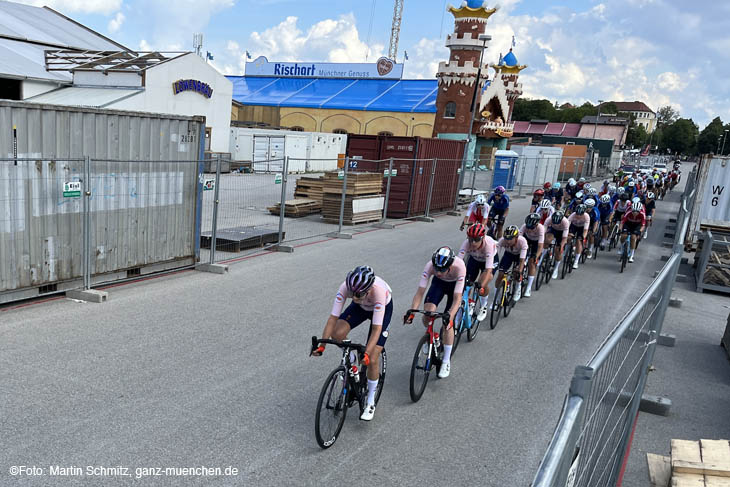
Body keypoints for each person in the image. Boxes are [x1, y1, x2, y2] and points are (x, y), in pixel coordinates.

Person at [313, 266, 393, 421]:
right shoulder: (346, 288)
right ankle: (351, 360)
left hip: (382, 308)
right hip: (361, 308)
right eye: (352, 294)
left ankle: (370, 401)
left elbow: (377, 329)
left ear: (368, 289)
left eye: (359, 294)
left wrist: (368, 354)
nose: (354, 298)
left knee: (373, 358)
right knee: (337, 333)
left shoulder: (378, 292)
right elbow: (332, 319)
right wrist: (322, 345)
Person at [406, 247, 466, 379]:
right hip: (438, 285)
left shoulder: (460, 266)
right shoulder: (430, 266)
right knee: (428, 313)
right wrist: (412, 311)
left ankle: (446, 361)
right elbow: (420, 292)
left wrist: (450, 316)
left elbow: (457, 299)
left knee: (448, 323)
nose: (438, 272)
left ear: (450, 266)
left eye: (442, 269)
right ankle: (433, 337)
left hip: (454, 287)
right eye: (437, 269)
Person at [458, 223, 497, 321]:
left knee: (482, 282)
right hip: (474, 259)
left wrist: (481, 286)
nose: (473, 243)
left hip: (488, 262)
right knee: (466, 283)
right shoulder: (466, 243)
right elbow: (458, 263)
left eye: (476, 240)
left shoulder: (488, 245)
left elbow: (488, 270)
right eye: (471, 239)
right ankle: (468, 302)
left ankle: (483, 306)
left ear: (482, 238)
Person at [494, 225, 527, 302]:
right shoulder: (502, 240)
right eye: (506, 238)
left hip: (519, 256)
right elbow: (495, 254)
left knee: (517, 272)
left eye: (510, 239)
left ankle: (518, 288)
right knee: (500, 274)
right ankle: (497, 298)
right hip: (508, 254)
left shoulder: (522, 241)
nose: (508, 241)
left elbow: (522, 261)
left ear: (516, 237)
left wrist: (519, 271)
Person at [519, 213, 545, 298]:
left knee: (532, 262)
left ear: (536, 224)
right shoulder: (524, 226)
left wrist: (536, 256)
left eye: (532, 227)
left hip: (536, 243)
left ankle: (528, 288)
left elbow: (541, 246)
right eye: (528, 227)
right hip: (526, 239)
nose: (529, 229)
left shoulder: (541, 228)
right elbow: (519, 240)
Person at [545, 210, 570, 279]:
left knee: (558, 250)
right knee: (546, 240)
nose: (556, 224)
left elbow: (564, 238)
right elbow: (544, 231)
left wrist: (561, 247)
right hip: (553, 230)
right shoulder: (549, 219)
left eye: (557, 223)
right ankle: (544, 256)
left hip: (562, 232)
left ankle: (555, 268)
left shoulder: (565, 222)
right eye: (554, 222)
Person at [568, 204, 590, 269]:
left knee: (579, 241)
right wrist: (568, 234)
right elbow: (567, 226)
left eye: (580, 214)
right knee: (569, 237)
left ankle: (576, 261)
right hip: (573, 226)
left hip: (582, 228)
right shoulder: (572, 215)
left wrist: (582, 237)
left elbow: (585, 230)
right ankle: (566, 250)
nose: (578, 216)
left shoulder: (586, 216)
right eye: (577, 214)